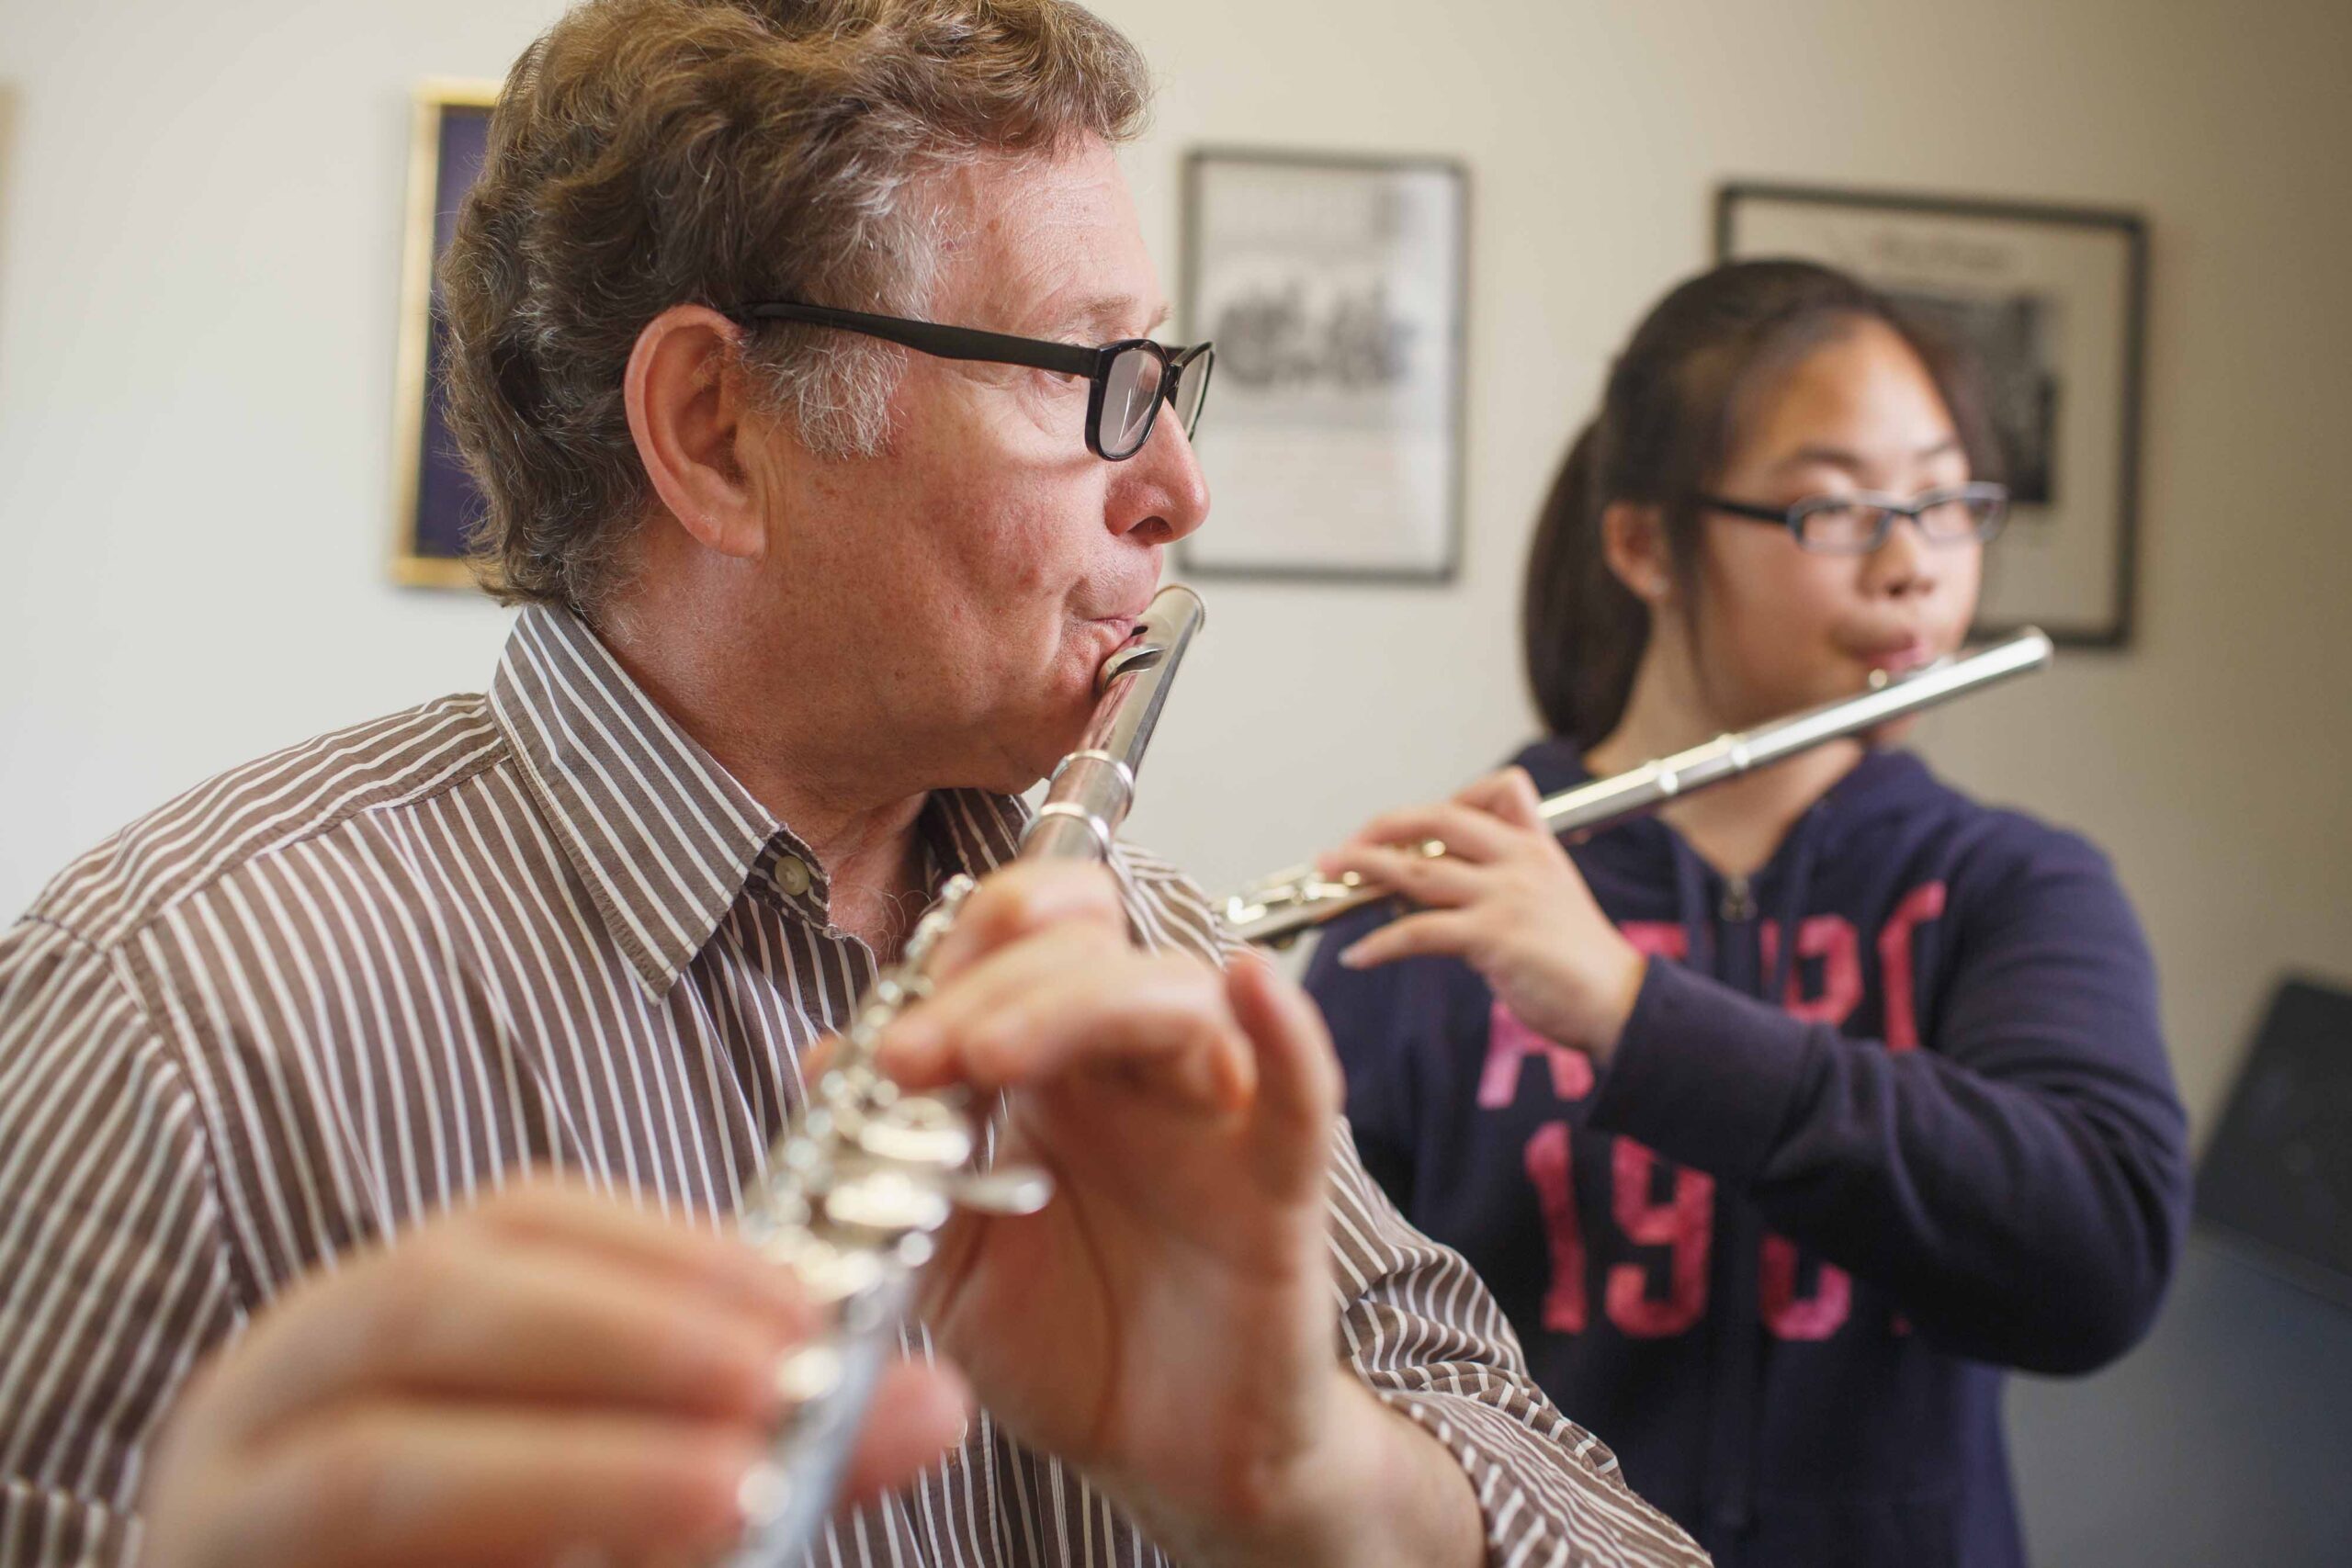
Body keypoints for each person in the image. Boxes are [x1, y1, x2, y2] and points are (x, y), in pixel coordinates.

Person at [0, 3, 1710, 1566]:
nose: (1178, 488)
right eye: (1093, 379)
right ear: (719, 429)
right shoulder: (171, 1008)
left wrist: (1313, 1480)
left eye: (1164, 379)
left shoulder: (1155, 962)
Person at [1305, 260, 2189, 1568]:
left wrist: (1631, 1016)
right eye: (1832, 511)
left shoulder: (2011, 889)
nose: (1912, 570)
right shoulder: (1458, 903)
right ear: (1646, 543)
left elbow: (2097, 1263)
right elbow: (1324, 1352)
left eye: (1945, 503)